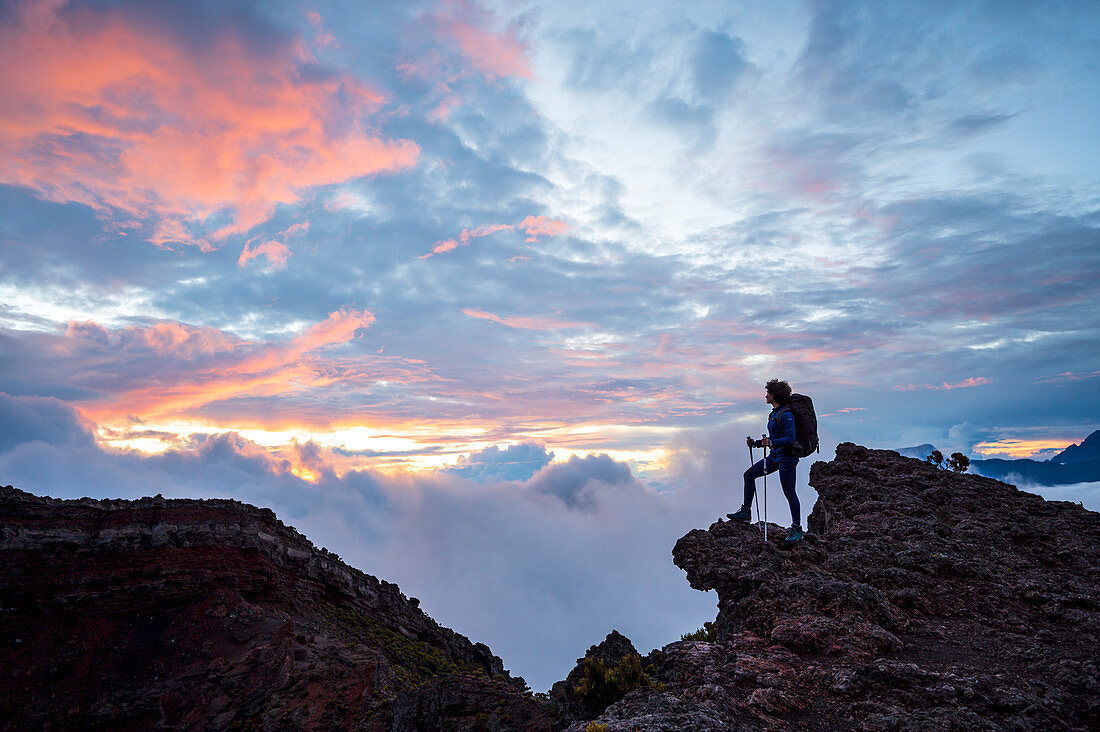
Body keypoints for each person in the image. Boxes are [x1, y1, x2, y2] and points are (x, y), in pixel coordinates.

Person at [728, 379, 803, 542]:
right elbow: (775, 437)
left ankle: (797, 528)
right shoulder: (774, 414)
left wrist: (771, 443)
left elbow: (790, 439)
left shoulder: (786, 414)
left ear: (774, 395)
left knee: (789, 492)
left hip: (787, 458)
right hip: (775, 456)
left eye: (768, 392)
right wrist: (756, 443)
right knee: (749, 475)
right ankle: (746, 512)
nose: (765, 395)